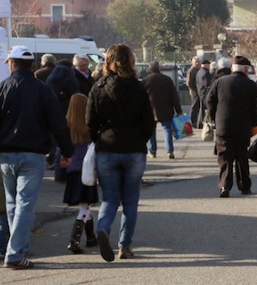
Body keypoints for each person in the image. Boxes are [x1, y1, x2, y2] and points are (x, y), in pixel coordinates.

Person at [0, 46, 74, 269]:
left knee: (13, 203)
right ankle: (15, 252)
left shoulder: (3, 88)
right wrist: (67, 151)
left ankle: (18, 248)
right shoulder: (42, 89)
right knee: (25, 204)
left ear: (12, 63)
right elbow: (57, 123)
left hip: (5, 154)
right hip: (32, 153)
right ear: (32, 65)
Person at [86, 44, 155, 262]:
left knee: (109, 198)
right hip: (133, 149)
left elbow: (90, 122)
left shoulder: (97, 87)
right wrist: (139, 141)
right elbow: (148, 123)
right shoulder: (139, 88)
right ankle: (124, 246)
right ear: (131, 61)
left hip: (107, 148)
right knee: (131, 200)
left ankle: (104, 228)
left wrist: (99, 139)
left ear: (107, 61)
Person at [207, 55, 257, 197]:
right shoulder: (251, 85)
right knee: (242, 157)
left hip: (223, 126)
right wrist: (254, 123)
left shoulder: (219, 82)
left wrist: (213, 119)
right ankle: (244, 186)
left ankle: (225, 186)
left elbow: (210, 100)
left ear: (232, 68)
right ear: (245, 69)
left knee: (224, 157)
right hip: (243, 128)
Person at [56, 93, 99, 254]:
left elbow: (60, 154)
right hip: (87, 171)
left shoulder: (66, 128)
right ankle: (74, 239)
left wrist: (60, 174)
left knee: (84, 204)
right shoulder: (90, 128)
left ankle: (91, 237)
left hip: (73, 171)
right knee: (86, 206)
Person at [143, 61, 182, 159]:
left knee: (151, 131)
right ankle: (169, 151)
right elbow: (174, 96)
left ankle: (152, 152)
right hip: (166, 109)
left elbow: (141, 97)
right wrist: (179, 110)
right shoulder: (167, 80)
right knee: (167, 130)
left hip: (150, 110)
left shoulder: (145, 81)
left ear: (149, 69)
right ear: (159, 68)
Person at [195, 59, 213, 128]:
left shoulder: (199, 72)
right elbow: (207, 84)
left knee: (201, 109)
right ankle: (204, 123)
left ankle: (199, 123)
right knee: (206, 109)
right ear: (207, 65)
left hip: (200, 91)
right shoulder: (206, 73)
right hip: (205, 93)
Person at [187, 57, 202, 127]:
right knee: (194, 106)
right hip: (194, 91)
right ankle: (192, 121)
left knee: (198, 106)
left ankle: (197, 121)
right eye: (196, 62)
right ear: (192, 62)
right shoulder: (191, 70)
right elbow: (188, 82)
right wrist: (194, 89)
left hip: (199, 90)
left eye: (198, 62)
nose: (197, 63)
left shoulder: (199, 70)